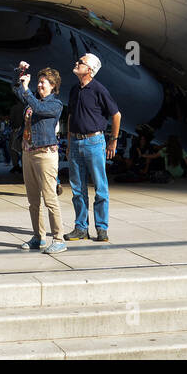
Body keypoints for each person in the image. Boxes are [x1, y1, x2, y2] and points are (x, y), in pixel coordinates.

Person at [64, 52, 121, 243]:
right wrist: (69, 143)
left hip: (95, 142)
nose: (76, 63)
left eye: (80, 62)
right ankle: (81, 228)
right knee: (77, 189)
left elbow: (116, 115)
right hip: (76, 142)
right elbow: (71, 117)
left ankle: (101, 228)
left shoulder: (99, 90)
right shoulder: (74, 90)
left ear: (89, 70)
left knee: (100, 187)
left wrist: (113, 140)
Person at [14, 63, 66, 253]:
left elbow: (38, 108)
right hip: (28, 152)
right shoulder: (32, 98)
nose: (40, 85)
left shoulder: (55, 104)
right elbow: (17, 89)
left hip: (45, 154)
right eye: (39, 82)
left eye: (44, 82)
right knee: (33, 200)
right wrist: (20, 73)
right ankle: (38, 237)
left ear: (53, 86)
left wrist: (27, 90)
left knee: (50, 199)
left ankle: (59, 239)